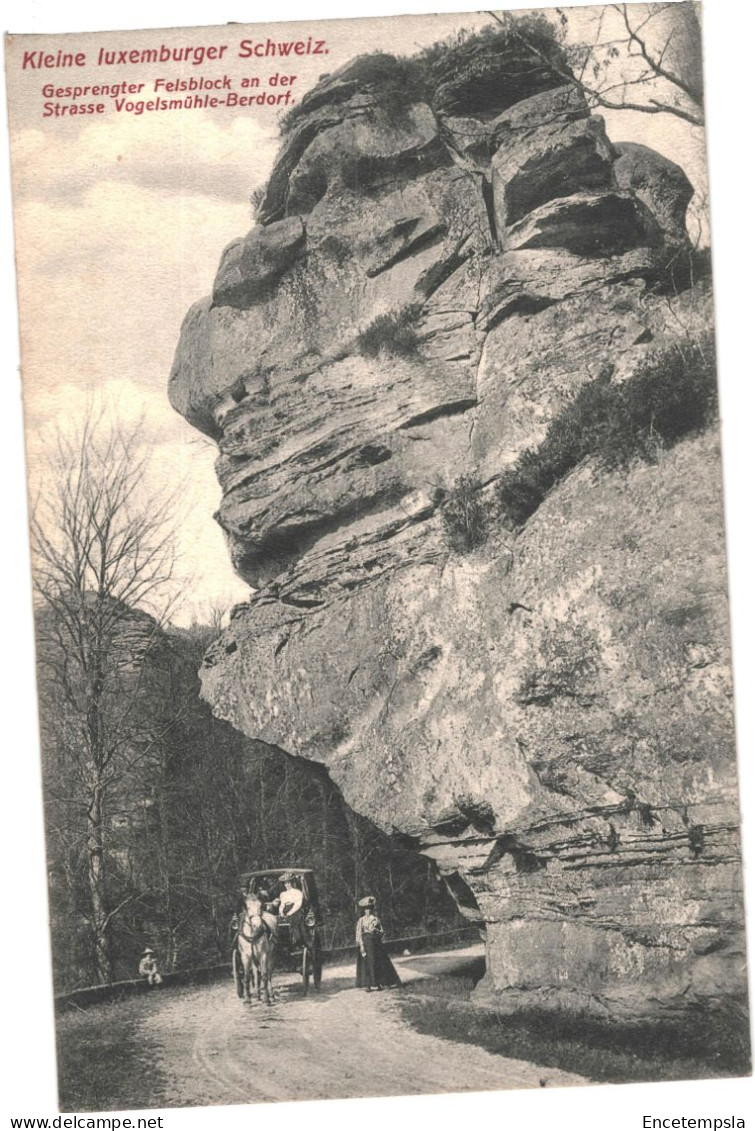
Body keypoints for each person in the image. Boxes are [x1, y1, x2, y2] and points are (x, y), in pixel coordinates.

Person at [355, 896, 400, 992]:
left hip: (375, 943)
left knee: (377, 962)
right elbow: (358, 933)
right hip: (365, 942)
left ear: (372, 909)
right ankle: (368, 985)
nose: (368, 911)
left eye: (369, 909)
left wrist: (376, 931)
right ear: (364, 910)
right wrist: (361, 945)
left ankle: (379, 983)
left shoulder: (375, 919)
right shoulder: (361, 920)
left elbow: (381, 931)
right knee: (366, 963)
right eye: (366, 909)